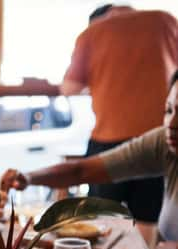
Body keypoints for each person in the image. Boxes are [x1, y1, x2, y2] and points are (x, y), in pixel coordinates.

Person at [1, 69, 178, 249]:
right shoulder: (166, 143)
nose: (172, 123)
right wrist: (28, 178)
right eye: (169, 110)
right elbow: (81, 170)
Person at [60, 4, 178, 223]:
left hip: (108, 141)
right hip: (160, 140)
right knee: (149, 223)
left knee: (100, 222)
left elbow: (69, 87)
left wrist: (98, 82)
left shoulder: (92, 33)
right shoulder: (166, 21)